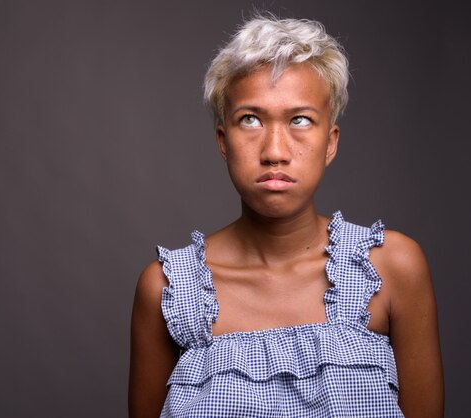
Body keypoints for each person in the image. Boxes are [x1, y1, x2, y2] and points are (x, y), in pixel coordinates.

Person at [129, 14, 443, 418]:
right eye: (251, 119)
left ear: (330, 142)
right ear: (223, 141)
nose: (275, 151)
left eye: (299, 120)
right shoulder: (168, 290)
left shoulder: (392, 269)